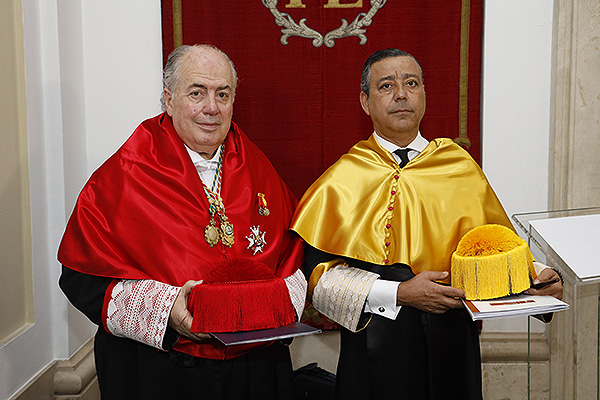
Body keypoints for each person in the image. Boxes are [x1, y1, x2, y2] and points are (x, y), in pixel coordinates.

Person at [290, 48, 563, 400]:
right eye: (386, 85)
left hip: (453, 342)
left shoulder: (458, 166)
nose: (401, 94)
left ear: (424, 94)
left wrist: (537, 278)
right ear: (365, 101)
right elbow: (320, 282)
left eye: (411, 83)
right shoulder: (341, 181)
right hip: (375, 352)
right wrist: (401, 293)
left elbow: (496, 248)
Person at [58, 44, 307, 400]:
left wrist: (279, 299)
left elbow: (295, 254)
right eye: (197, 93)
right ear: (169, 99)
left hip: (254, 369)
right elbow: (81, 278)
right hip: (159, 369)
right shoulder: (126, 173)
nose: (211, 107)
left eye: (222, 94)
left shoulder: (259, 169)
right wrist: (167, 310)